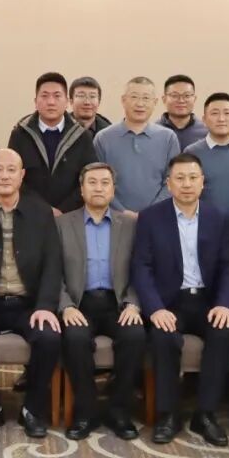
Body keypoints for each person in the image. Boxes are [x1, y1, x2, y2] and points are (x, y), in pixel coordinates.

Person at [132, 153, 229, 447]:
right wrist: (155, 309)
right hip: (170, 302)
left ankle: (206, 414)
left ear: (203, 182)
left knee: (224, 331)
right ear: (169, 184)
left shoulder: (220, 218)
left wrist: (224, 303)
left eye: (193, 178)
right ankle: (169, 414)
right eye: (180, 178)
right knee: (163, 337)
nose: (187, 184)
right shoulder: (150, 217)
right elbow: (141, 267)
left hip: (208, 301)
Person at [0, 148, 63, 438]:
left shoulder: (41, 211)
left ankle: (32, 409)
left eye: (11, 170)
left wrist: (45, 306)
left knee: (49, 337)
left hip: (28, 304)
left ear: (22, 175)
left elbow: (53, 262)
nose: (5, 176)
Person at [58, 163, 145, 441]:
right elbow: (51, 272)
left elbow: (142, 269)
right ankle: (86, 411)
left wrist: (133, 303)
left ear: (113, 189)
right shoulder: (62, 224)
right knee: (75, 338)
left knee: (135, 335)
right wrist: (65, 306)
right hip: (79, 302)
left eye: (105, 183)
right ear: (81, 189)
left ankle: (119, 410)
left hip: (117, 302)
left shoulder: (130, 225)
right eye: (92, 182)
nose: (98, 188)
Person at [8, 72, 98, 215]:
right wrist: (42, 209)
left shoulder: (82, 136)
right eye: (44, 96)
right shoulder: (20, 135)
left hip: (71, 216)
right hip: (29, 215)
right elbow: (13, 176)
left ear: (67, 101)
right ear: (35, 101)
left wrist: (63, 210)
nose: (51, 102)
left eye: (57, 96)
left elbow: (90, 178)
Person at [93, 77, 179, 214]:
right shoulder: (103, 138)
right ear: (123, 100)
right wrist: (121, 211)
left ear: (155, 102)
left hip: (157, 216)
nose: (140, 104)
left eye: (146, 98)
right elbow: (97, 182)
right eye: (134, 97)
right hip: (113, 217)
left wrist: (150, 213)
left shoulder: (168, 138)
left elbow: (172, 181)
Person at [157, 74, 208, 150]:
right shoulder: (154, 131)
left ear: (194, 99)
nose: (181, 100)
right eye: (174, 96)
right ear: (164, 99)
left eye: (187, 96)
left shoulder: (206, 131)